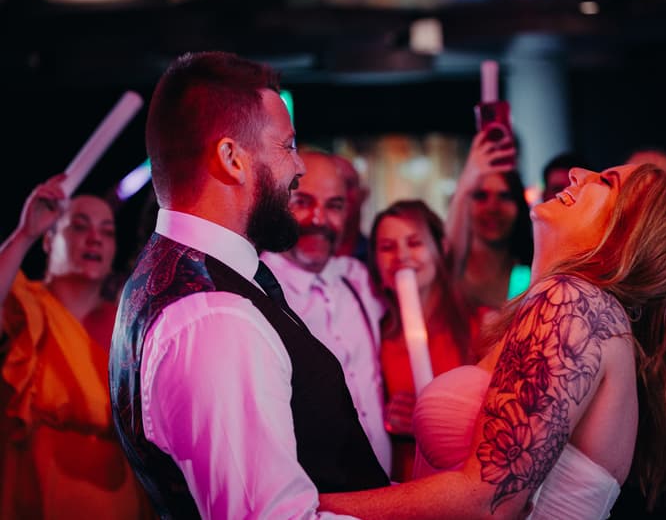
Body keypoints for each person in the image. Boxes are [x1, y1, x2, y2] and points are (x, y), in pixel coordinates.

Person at [319, 163, 666, 519]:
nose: (577, 173)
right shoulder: (584, 309)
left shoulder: (572, 300)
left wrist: (310, 506)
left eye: (606, 182)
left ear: (627, 229)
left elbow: (489, 503)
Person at [108, 51, 389, 518]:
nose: (298, 167)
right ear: (231, 159)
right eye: (287, 146)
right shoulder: (216, 318)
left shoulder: (172, 275)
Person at [0, 174, 154, 518]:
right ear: (48, 240)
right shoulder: (24, 306)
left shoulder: (130, 326)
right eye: (79, 226)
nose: (95, 238)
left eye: (107, 232)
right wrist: (24, 235)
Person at [260, 148, 391, 475]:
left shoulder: (357, 278)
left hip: (388, 488)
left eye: (334, 206)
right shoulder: (256, 292)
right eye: (303, 202)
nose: (319, 219)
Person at [367, 199, 479, 483]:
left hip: (463, 484)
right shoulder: (373, 335)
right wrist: (389, 420)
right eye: (387, 247)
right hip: (403, 483)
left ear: (441, 248)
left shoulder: (481, 326)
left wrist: (438, 422)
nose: (401, 256)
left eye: (415, 243)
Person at [446, 130, 534, 312]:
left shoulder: (528, 275)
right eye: (481, 196)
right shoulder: (449, 273)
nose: (493, 208)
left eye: (505, 196)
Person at [332, 153, 370, 264]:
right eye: (333, 186)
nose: (341, 193)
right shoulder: (296, 257)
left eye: (348, 184)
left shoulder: (378, 257)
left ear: (363, 194)